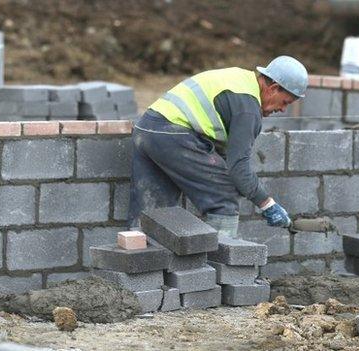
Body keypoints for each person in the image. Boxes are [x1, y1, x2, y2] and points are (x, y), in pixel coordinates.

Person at [128, 56, 308, 237]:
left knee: (153, 213)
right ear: (273, 88)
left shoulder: (241, 80)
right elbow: (238, 169)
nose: (283, 110)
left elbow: (224, 154)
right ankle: (223, 262)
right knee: (224, 198)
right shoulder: (247, 108)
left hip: (146, 129)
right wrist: (267, 204)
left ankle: (137, 257)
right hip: (173, 134)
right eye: (285, 102)